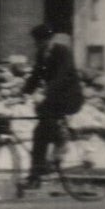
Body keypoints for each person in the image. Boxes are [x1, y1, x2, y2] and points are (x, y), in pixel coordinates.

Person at [22, 22, 83, 189]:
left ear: (48, 40)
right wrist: (22, 93)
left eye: (40, 42)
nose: (38, 45)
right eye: (36, 42)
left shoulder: (63, 51)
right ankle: (35, 175)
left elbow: (63, 76)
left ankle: (61, 140)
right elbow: (36, 75)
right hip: (54, 97)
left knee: (44, 123)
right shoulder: (41, 54)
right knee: (39, 131)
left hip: (70, 97)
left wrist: (44, 93)